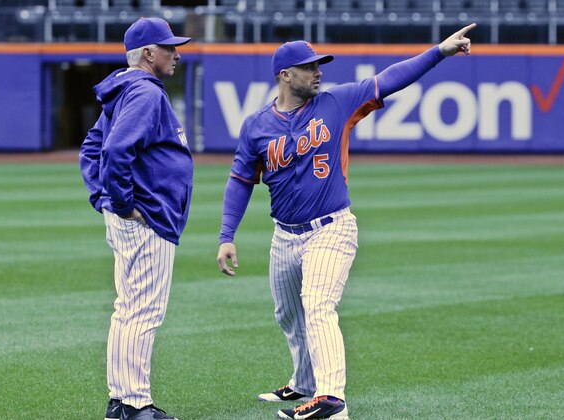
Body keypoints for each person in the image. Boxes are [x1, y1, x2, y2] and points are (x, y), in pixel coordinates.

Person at [216, 23, 476, 419]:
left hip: (331, 228)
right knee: (289, 315)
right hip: (284, 236)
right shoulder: (256, 126)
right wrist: (226, 235)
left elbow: (389, 79)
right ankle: (303, 383)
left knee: (318, 306)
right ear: (285, 76)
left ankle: (331, 399)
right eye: (309, 67)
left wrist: (439, 51)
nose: (318, 71)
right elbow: (240, 182)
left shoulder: (335, 102)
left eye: (319, 64)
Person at [79, 17, 193, 420]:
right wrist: (121, 202)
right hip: (148, 219)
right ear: (149, 54)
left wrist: (103, 198)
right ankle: (134, 404)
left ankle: (121, 401)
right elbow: (112, 152)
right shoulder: (144, 92)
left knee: (128, 309)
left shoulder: (124, 90)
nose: (176, 54)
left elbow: (92, 147)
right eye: (169, 48)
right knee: (142, 311)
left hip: (135, 218)